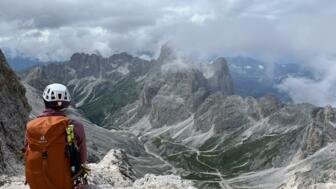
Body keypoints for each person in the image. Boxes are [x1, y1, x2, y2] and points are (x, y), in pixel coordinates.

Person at [24, 83, 88, 189]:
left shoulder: (31, 126)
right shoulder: (74, 125)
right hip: (64, 184)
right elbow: (83, 158)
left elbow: (26, 152)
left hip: (36, 184)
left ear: (45, 101)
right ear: (67, 104)